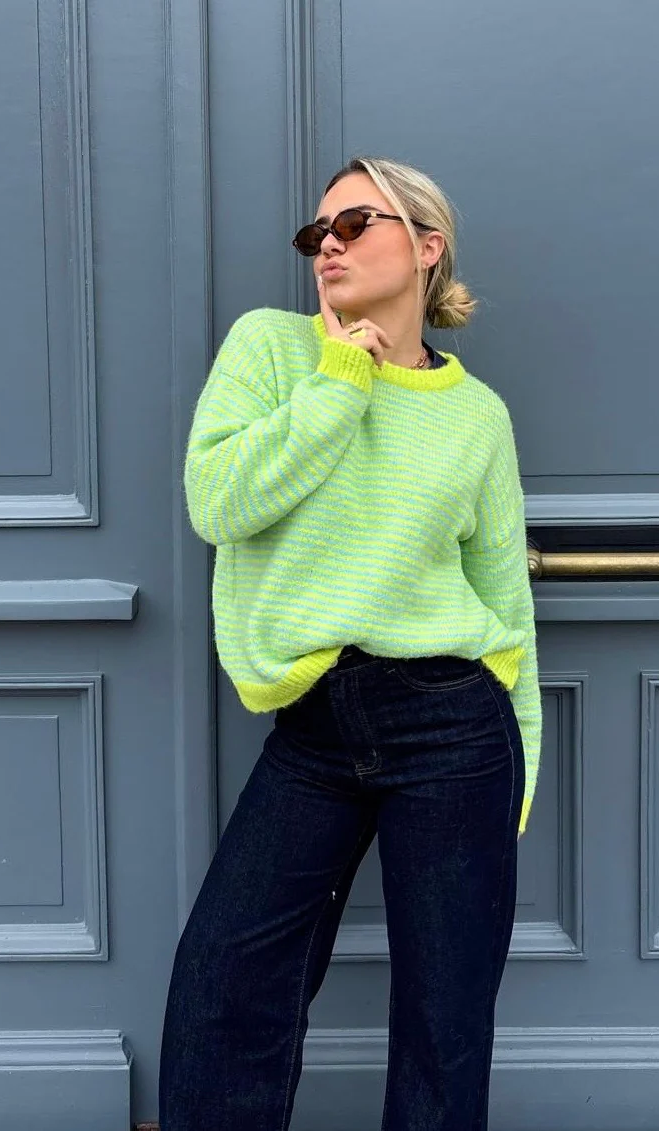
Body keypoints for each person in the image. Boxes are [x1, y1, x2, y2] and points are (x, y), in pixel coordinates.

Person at [159, 155, 542, 1131]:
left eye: (354, 223)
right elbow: (218, 505)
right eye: (314, 232)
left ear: (425, 245)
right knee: (225, 979)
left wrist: (523, 762)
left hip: (454, 726)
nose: (326, 245)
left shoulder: (476, 416)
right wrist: (339, 381)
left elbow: (504, 600)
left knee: (444, 1015)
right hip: (315, 729)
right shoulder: (271, 347)